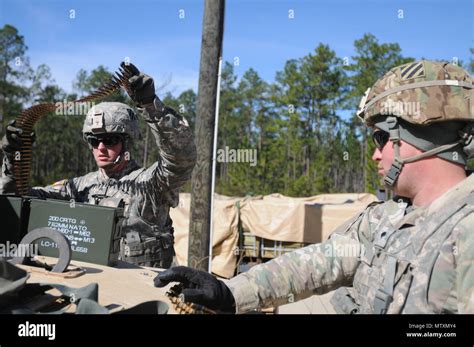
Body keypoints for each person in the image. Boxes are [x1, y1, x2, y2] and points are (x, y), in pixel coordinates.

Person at [154, 60, 474, 313]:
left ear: (424, 137)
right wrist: (230, 293)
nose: (376, 154)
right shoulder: (383, 220)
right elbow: (316, 265)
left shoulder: (466, 230)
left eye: (382, 137)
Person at [0, 63, 197, 269]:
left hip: (141, 290)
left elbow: (181, 158)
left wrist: (151, 106)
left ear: (127, 142)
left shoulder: (152, 184)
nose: (101, 148)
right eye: (94, 141)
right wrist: (14, 159)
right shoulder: (78, 188)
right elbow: (19, 199)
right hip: (91, 281)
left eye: (110, 140)